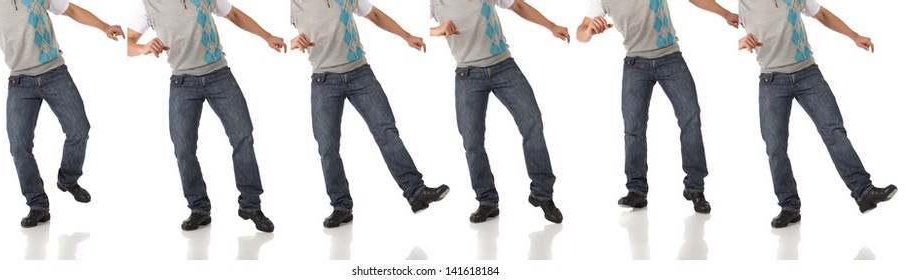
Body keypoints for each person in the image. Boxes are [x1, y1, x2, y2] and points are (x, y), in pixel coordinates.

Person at [691, 0, 898, 228]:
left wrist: (854, 36)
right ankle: (789, 206)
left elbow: (823, 16)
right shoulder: (744, 4)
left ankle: (864, 192)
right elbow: (718, 13)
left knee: (834, 132)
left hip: (808, 74)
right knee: (775, 148)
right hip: (772, 81)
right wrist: (733, 28)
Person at [0, 0, 124, 228]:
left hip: (55, 72)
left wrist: (104, 26)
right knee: (19, 146)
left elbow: (71, 10)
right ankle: (38, 205)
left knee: (79, 130)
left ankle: (68, 179)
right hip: (20, 82)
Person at [126, 0, 286, 232]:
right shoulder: (148, 6)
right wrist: (142, 48)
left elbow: (235, 16)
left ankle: (251, 205)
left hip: (219, 76)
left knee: (243, 137)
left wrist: (267, 36)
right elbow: (127, 43)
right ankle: (199, 209)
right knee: (183, 149)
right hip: (183, 83)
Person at [289, 0, 450, 229]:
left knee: (386, 132)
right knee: (327, 147)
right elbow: (281, 38)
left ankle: (416, 192)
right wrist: (292, 41)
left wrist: (406, 36)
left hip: (359, 75)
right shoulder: (294, 4)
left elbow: (374, 15)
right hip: (324, 81)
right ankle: (341, 206)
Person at [575, 0, 731, 214]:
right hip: (635, 65)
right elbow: (580, 32)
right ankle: (637, 191)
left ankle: (695, 188)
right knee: (633, 129)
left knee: (690, 119)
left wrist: (725, 13)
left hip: (670, 58)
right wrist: (590, 31)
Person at [430, 0, 567, 224]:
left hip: (504, 67)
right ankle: (487, 201)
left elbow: (519, 6)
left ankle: (542, 195)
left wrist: (551, 26)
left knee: (532, 123)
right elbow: (410, 31)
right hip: (468, 75)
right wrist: (436, 30)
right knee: (472, 142)